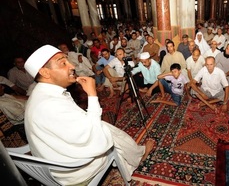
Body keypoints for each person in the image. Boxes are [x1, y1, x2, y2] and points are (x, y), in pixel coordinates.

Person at [23, 45, 155, 185]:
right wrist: (92, 95)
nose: (72, 65)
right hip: (74, 170)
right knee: (110, 134)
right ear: (45, 72)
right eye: (63, 63)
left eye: (68, 61)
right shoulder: (50, 105)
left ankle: (135, 152)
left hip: (57, 158)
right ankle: (139, 155)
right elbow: (97, 139)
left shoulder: (42, 93)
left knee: (107, 128)